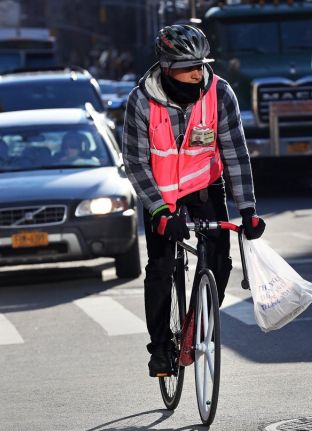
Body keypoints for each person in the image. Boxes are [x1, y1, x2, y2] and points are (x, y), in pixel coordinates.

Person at [122, 24, 266, 378]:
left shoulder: (219, 93)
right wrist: (158, 210)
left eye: (200, 65)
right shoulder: (141, 101)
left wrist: (247, 210)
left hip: (205, 186)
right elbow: (136, 164)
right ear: (167, 68)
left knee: (220, 259)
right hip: (161, 196)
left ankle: (196, 327)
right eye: (188, 67)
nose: (196, 74)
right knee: (160, 269)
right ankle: (160, 348)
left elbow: (235, 153)